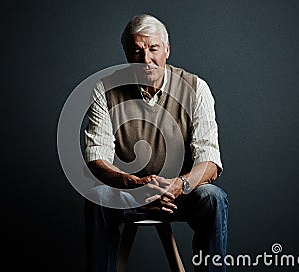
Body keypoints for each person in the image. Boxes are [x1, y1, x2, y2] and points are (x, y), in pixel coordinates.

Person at [83, 14, 228, 272]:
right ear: (127, 53)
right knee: (98, 197)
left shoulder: (196, 88)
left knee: (212, 198)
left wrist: (180, 185)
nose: (146, 60)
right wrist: (135, 185)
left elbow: (210, 161)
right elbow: (97, 158)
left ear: (167, 50)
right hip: (128, 193)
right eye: (137, 51)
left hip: (179, 194)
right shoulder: (105, 89)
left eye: (153, 49)